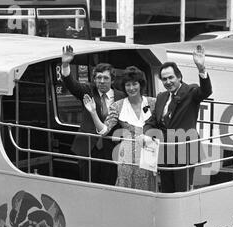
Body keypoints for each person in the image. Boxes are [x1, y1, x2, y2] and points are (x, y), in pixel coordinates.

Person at [143, 45, 212, 193]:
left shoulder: (191, 91)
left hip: (185, 150)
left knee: (182, 191)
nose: (168, 82)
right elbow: (152, 121)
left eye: (171, 77)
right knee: (167, 190)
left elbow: (206, 91)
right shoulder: (161, 97)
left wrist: (201, 69)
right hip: (165, 150)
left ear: (179, 77)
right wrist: (148, 134)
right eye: (164, 79)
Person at [83, 66, 157, 191]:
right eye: (128, 85)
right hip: (127, 153)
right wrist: (93, 112)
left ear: (141, 85)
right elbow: (104, 131)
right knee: (126, 187)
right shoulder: (117, 105)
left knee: (148, 189)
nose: (131, 88)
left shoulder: (153, 102)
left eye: (135, 84)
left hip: (149, 150)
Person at [61, 45, 126, 184]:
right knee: (88, 186)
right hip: (88, 148)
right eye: (98, 78)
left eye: (105, 78)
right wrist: (66, 64)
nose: (101, 81)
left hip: (111, 150)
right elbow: (71, 83)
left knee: (109, 186)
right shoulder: (88, 90)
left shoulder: (121, 97)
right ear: (94, 79)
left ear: (112, 80)